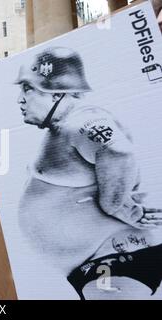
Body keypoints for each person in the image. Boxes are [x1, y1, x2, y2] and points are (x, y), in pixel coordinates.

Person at [15, 47, 162, 299]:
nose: (20, 99)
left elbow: (117, 151)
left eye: (28, 88)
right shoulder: (65, 126)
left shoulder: (81, 121)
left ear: (57, 92)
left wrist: (115, 205)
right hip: (101, 263)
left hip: (116, 260)